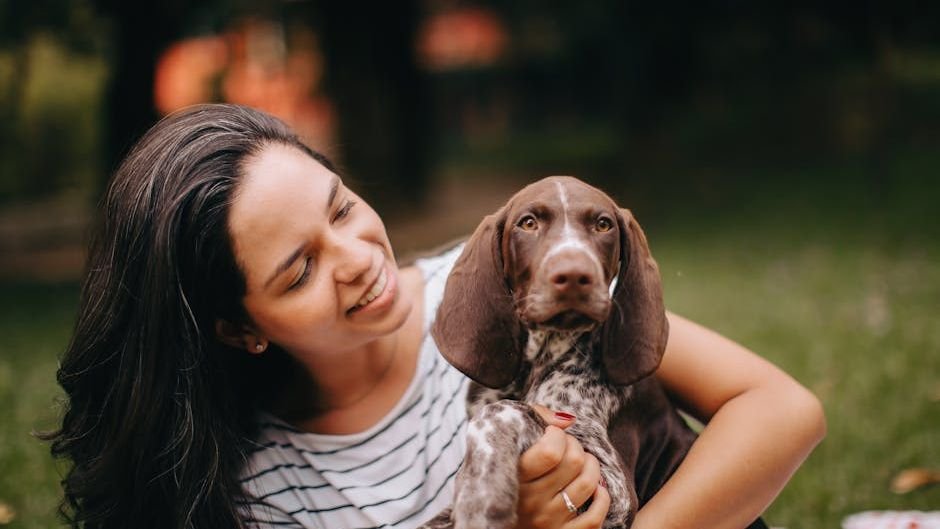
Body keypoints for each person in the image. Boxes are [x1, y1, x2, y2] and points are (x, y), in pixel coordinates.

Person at [46, 104, 825, 529]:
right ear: (239, 328)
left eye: (342, 207)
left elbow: (783, 410)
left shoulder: (493, 290)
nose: (356, 255)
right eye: (301, 269)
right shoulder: (269, 489)